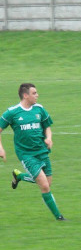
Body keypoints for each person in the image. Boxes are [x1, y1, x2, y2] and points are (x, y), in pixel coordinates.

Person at [0, 83, 66, 221]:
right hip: (26, 154)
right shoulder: (12, 112)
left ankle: (19, 176)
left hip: (42, 151)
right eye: (34, 93)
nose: (37, 95)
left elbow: (47, 127)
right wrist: (1, 148)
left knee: (47, 182)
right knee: (45, 187)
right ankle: (59, 217)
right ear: (25, 95)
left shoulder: (39, 109)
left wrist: (49, 138)